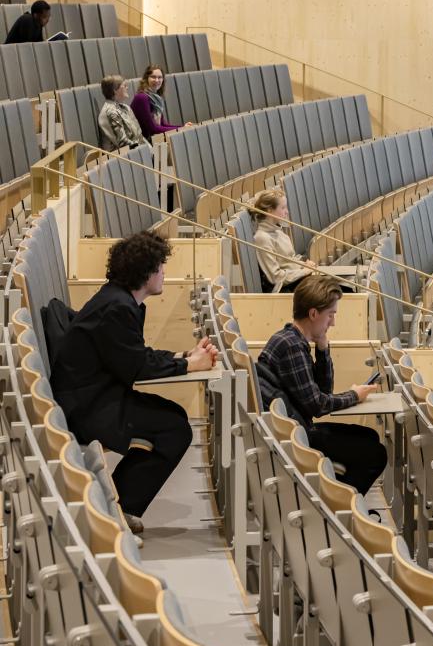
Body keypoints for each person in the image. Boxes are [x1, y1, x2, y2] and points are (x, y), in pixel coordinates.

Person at [51, 232, 217, 534]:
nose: (164, 273)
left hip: (95, 396)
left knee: (175, 417)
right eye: (160, 267)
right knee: (174, 429)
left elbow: (132, 354)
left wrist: (184, 356)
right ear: (146, 272)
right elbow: (138, 365)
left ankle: (116, 503)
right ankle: (115, 511)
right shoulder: (117, 307)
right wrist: (189, 364)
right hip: (88, 409)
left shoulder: (118, 299)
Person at [256, 274, 386, 495]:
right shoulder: (291, 347)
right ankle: (339, 504)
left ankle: (339, 493)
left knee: (369, 436)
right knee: (375, 454)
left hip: (298, 427)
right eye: (330, 315)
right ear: (314, 314)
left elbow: (323, 391)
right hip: (297, 436)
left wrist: (323, 348)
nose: (332, 322)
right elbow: (318, 405)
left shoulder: (293, 340)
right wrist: (354, 395)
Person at [252, 189, 314, 291]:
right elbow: (276, 277)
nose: (287, 212)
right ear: (269, 210)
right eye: (283, 207)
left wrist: (304, 265)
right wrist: (304, 271)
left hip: (297, 280)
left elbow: (289, 262)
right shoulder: (262, 238)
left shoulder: (278, 231)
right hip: (288, 288)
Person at [130, 65, 185, 140]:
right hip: (142, 142)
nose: (157, 80)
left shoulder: (156, 99)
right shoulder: (142, 98)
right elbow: (153, 129)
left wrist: (183, 127)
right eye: (153, 77)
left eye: (159, 77)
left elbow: (163, 124)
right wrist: (182, 128)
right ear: (146, 79)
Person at [98, 75, 144, 151]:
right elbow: (123, 143)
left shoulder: (125, 107)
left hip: (136, 150)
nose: (127, 88)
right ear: (115, 90)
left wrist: (148, 148)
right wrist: (144, 149)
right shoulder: (110, 112)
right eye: (124, 85)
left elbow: (139, 134)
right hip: (120, 155)